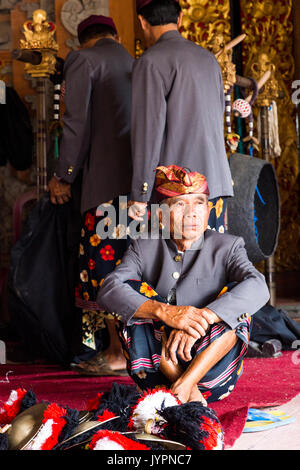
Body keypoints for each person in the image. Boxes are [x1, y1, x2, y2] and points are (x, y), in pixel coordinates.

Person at [97, 165, 270, 404]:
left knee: (238, 302)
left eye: (199, 203)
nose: (192, 214)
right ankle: (185, 389)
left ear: (208, 210)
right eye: (180, 204)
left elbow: (259, 286)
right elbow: (108, 288)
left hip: (213, 376)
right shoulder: (143, 246)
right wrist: (166, 313)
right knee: (132, 293)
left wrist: (202, 317)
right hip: (153, 370)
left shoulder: (227, 246)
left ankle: (184, 385)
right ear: (160, 215)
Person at [48, 15, 134, 375]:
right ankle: (140, 349)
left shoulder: (83, 60)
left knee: (104, 268)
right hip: (143, 188)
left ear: (82, 41)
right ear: (115, 35)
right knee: (135, 267)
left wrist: (63, 175)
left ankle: (117, 351)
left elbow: (76, 124)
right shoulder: (136, 61)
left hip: (104, 187)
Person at [128, 0, 233, 233]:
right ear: (180, 19)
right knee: (210, 264)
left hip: (176, 190)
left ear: (142, 22)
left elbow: (148, 133)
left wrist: (141, 192)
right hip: (214, 186)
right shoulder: (208, 59)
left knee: (173, 267)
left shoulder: (150, 61)